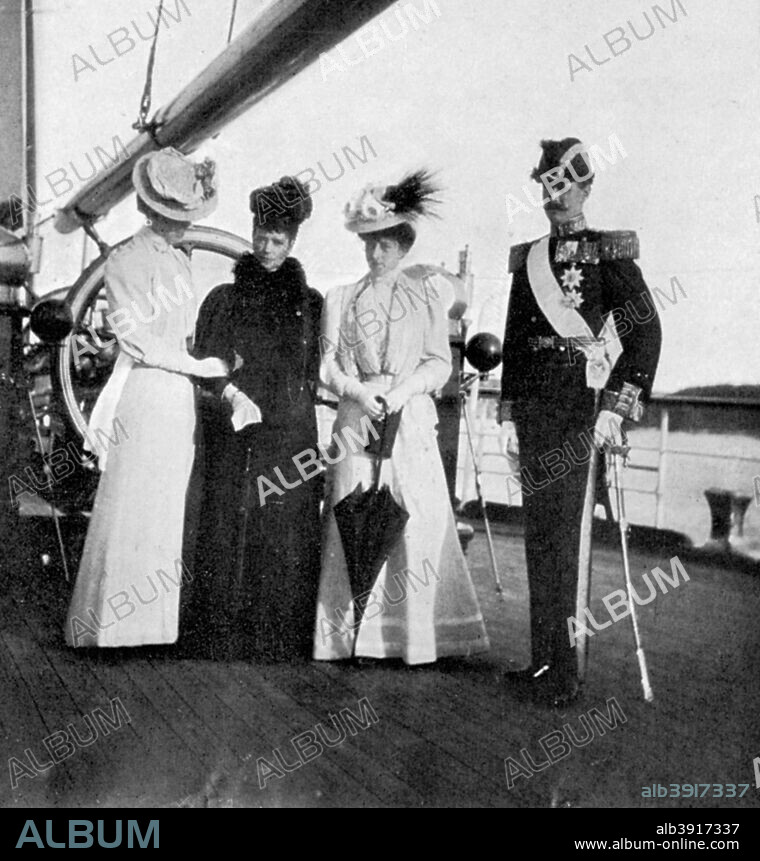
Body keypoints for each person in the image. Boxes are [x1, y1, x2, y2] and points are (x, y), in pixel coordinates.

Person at [499, 138, 662, 705]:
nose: (554, 197)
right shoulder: (530, 259)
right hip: (537, 413)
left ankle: (566, 672)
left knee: (568, 543)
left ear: (587, 188)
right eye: (547, 186)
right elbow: (517, 341)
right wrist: (508, 411)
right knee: (538, 538)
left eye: (564, 186)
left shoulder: (609, 254)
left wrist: (618, 406)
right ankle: (543, 662)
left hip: (580, 413)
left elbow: (645, 333)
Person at [313, 170, 489, 665]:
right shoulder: (341, 298)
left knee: (412, 518)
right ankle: (348, 637)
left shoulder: (427, 297)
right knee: (351, 513)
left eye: (385, 245)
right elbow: (327, 363)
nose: (375, 254)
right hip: (355, 414)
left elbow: (439, 362)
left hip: (408, 418)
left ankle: (409, 637)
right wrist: (356, 390)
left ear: (403, 246)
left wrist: (402, 391)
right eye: (369, 243)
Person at [65, 148, 228, 648]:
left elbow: (180, 335)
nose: (182, 226)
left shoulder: (179, 261)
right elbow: (137, 340)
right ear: (151, 212)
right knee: (132, 499)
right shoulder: (126, 260)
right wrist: (199, 367)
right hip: (148, 388)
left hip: (175, 395)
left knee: (165, 503)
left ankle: (152, 627)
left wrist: (199, 367)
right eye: (174, 216)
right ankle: (110, 627)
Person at [187, 176, 323, 661]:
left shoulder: (310, 303)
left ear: (293, 241)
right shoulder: (224, 297)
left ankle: (275, 633)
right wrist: (231, 392)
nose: (267, 248)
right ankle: (217, 629)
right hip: (235, 424)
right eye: (261, 237)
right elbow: (206, 362)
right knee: (226, 517)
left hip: (290, 429)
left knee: (282, 524)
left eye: (278, 240)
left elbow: (313, 370)